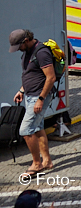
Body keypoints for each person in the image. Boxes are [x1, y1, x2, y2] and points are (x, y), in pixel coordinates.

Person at [9, 29, 55, 179]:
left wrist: (40, 99)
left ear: (26, 40)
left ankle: (37, 164)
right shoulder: (28, 51)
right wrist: (21, 90)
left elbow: (51, 77)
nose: (18, 50)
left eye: (19, 46)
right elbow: (30, 73)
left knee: (25, 130)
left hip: (38, 96)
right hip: (29, 95)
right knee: (37, 128)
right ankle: (47, 161)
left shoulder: (41, 53)